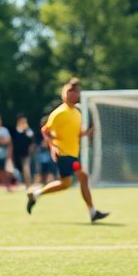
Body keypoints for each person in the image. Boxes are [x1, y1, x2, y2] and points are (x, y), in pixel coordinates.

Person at [26, 78, 108, 222]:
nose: (73, 94)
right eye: (70, 91)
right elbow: (45, 131)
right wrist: (53, 146)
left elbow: (75, 133)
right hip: (64, 154)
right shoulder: (59, 113)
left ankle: (36, 194)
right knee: (83, 176)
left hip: (72, 154)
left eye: (75, 91)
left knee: (65, 184)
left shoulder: (76, 113)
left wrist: (87, 132)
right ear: (65, 94)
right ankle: (92, 212)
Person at [10, 114, 36, 189]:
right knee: (19, 170)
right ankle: (23, 183)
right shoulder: (15, 130)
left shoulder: (28, 131)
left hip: (25, 154)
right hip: (16, 153)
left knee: (26, 169)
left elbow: (32, 141)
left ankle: (28, 185)